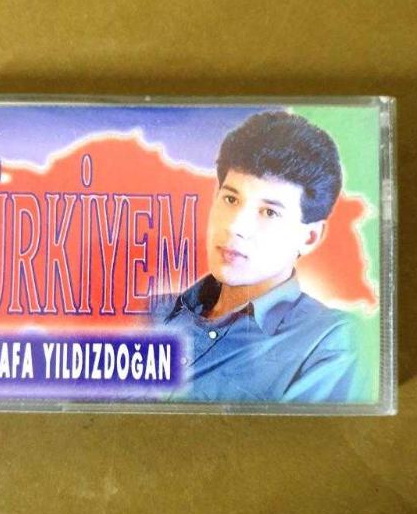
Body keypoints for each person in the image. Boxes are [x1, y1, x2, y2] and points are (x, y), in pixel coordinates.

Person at [153, 110, 372, 404]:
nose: (235, 226)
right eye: (231, 199)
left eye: (269, 212)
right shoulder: (152, 311)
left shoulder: (331, 342)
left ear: (309, 237)